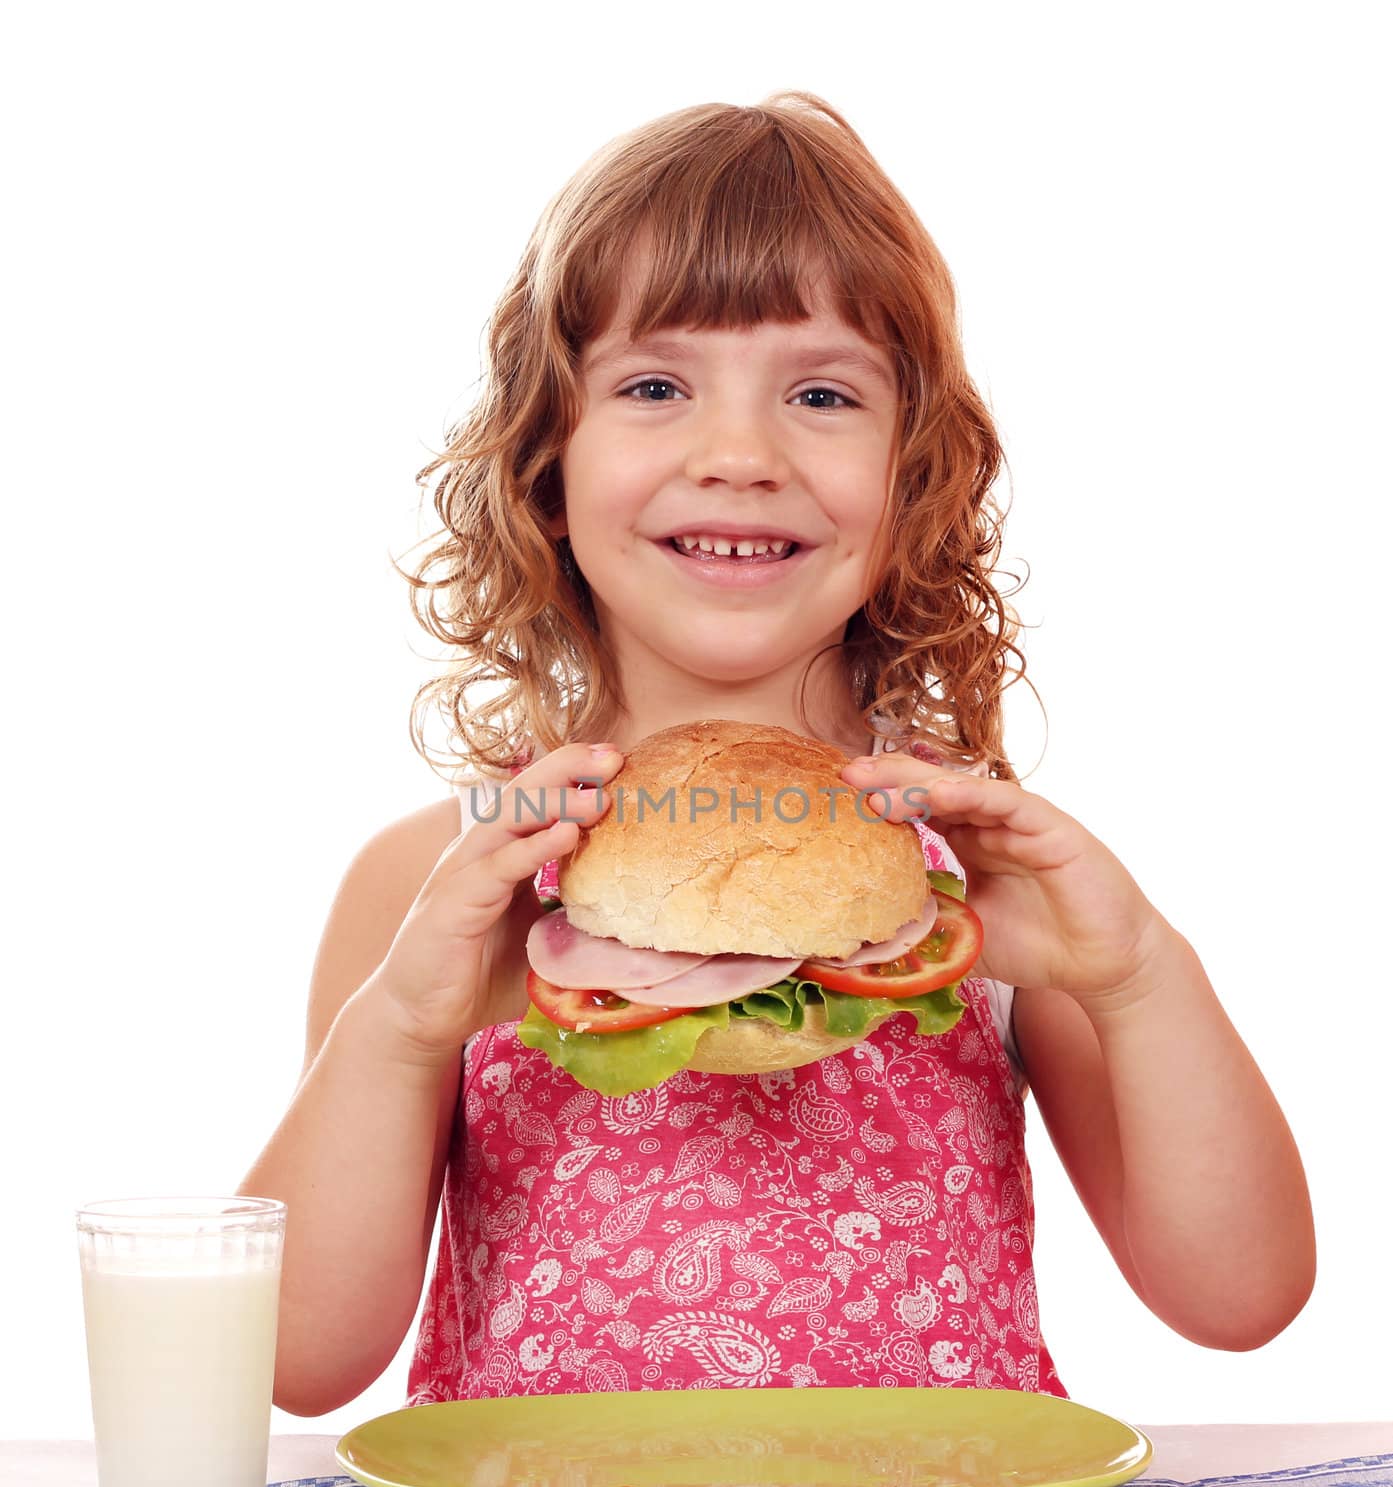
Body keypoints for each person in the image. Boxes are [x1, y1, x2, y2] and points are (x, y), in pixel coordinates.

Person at [240, 92, 1315, 1414]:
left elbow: (1237, 1296)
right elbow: (294, 1364)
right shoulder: (436, 879)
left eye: (819, 392)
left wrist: (1139, 977)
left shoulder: (974, 878)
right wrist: (406, 1028)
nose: (739, 454)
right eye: (651, 386)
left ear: (913, 477)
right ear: (544, 470)